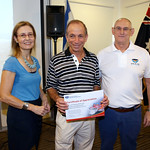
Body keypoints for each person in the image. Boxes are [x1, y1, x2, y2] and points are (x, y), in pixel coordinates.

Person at [46, 19, 109, 150]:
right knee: (63, 147)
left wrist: (98, 98)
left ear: (86, 37)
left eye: (80, 36)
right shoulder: (56, 60)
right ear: (66, 37)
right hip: (66, 115)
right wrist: (57, 99)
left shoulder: (93, 58)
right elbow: (50, 86)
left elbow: (95, 83)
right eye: (72, 36)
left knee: (85, 147)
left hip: (88, 116)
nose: (76, 40)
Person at [97, 18, 150, 150]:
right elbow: (97, 83)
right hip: (108, 112)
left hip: (133, 113)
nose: (122, 32)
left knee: (130, 146)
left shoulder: (143, 54)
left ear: (131, 31)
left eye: (125, 29)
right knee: (106, 146)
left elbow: (149, 83)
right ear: (113, 31)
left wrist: (149, 110)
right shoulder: (102, 55)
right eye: (118, 28)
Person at [0, 21, 50, 150]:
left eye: (30, 34)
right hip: (20, 113)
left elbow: (35, 84)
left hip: (35, 109)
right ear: (16, 39)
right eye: (22, 35)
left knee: (34, 144)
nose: (27, 38)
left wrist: (44, 98)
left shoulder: (34, 61)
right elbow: (4, 96)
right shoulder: (11, 62)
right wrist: (32, 108)